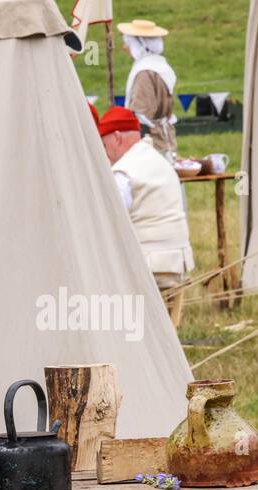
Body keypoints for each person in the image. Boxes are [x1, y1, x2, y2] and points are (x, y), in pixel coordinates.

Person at [98, 106, 194, 327]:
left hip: (149, 265)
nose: (104, 152)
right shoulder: (161, 162)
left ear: (117, 138)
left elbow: (110, 222)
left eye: (104, 144)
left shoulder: (124, 172)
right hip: (178, 262)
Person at [119, 18, 178, 158]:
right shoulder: (160, 66)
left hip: (151, 142)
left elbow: (142, 113)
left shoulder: (145, 72)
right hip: (162, 137)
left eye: (128, 42)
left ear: (138, 44)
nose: (125, 47)